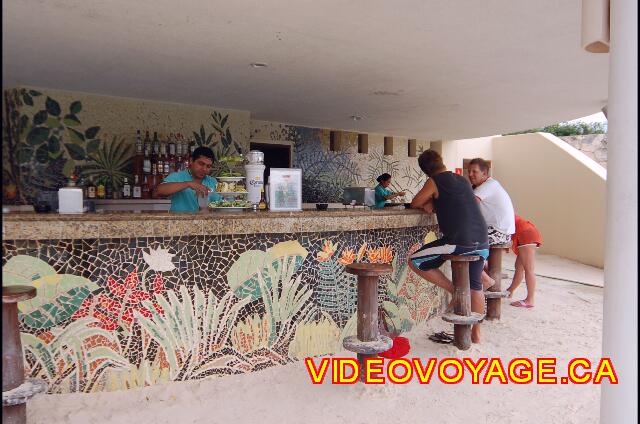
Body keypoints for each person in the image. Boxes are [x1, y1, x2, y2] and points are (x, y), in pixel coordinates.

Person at [408, 149, 489, 343]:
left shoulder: (435, 180)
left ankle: (455, 290)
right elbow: (454, 203)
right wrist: (434, 203)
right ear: (441, 161)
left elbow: (415, 202)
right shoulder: (462, 180)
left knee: (415, 261)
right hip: (482, 241)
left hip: (460, 241)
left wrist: (428, 202)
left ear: (426, 170)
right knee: (475, 286)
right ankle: (476, 335)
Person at [467, 158, 516, 289]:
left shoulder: (487, 186)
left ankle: (486, 279)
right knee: (465, 242)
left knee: (462, 244)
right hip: (499, 230)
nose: (470, 174)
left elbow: (467, 205)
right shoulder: (485, 186)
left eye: (474, 171)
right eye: (469, 171)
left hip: (498, 231)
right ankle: (485, 269)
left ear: (485, 174)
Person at [155, 146, 222, 213]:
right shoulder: (177, 177)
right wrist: (188, 184)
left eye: (208, 166)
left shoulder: (213, 182)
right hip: (179, 222)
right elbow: (158, 191)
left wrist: (211, 210)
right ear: (191, 161)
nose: (204, 169)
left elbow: (221, 205)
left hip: (206, 222)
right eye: (201, 164)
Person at [505, 214, 543, 308]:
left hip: (525, 233)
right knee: (519, 267)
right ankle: (510, 291)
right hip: (527, 232)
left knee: (528, 269)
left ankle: (530, 300)